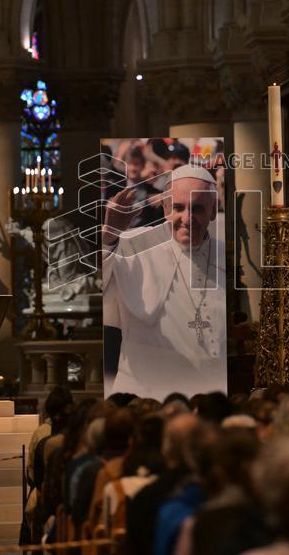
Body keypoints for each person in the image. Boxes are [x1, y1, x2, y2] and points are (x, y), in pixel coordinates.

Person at [102, 164, 226, 400]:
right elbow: (99, 279)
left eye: (197, 209)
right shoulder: (132, 245)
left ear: (212, 211)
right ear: (166, 208)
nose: (187, 219)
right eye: (178, 208)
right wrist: (110, 234)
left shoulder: (224, 254)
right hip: (143, 395)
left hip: (208, 393)